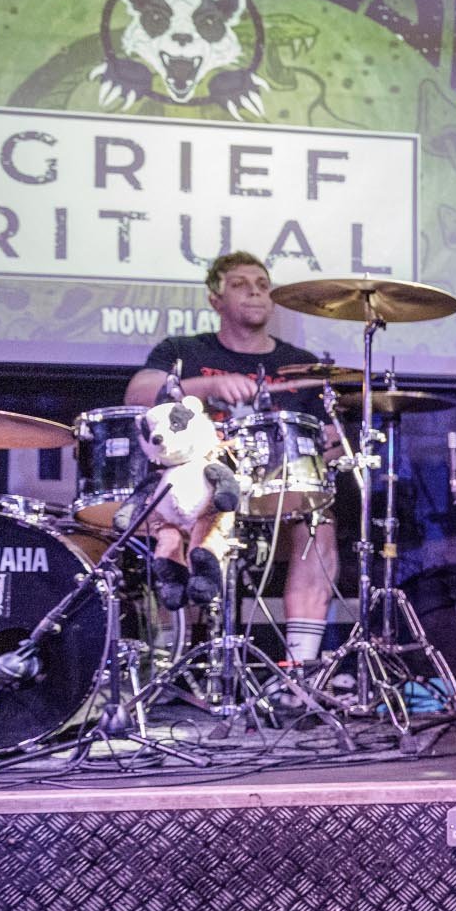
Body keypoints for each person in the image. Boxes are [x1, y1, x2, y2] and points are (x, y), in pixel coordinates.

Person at [124, 251, 341, 667]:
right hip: (202, 484)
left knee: (319, 521)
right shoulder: (184, 350)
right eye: (240, 284)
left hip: (273, 485)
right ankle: (175, 662)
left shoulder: (299, 364)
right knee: (174, 515)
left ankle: (300, 670)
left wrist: (332, 442)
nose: (255, 291)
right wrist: (208, 387)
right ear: (214, 299)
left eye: (262, 284)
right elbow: (136, 395)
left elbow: (321, 441)